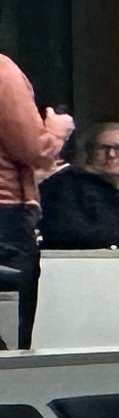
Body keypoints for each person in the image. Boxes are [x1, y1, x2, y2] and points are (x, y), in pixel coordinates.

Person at [0, 55, 61, 337]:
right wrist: (57, 131)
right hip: (5, 215)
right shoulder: (3, 72)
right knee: (10, 335)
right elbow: (34, 149)